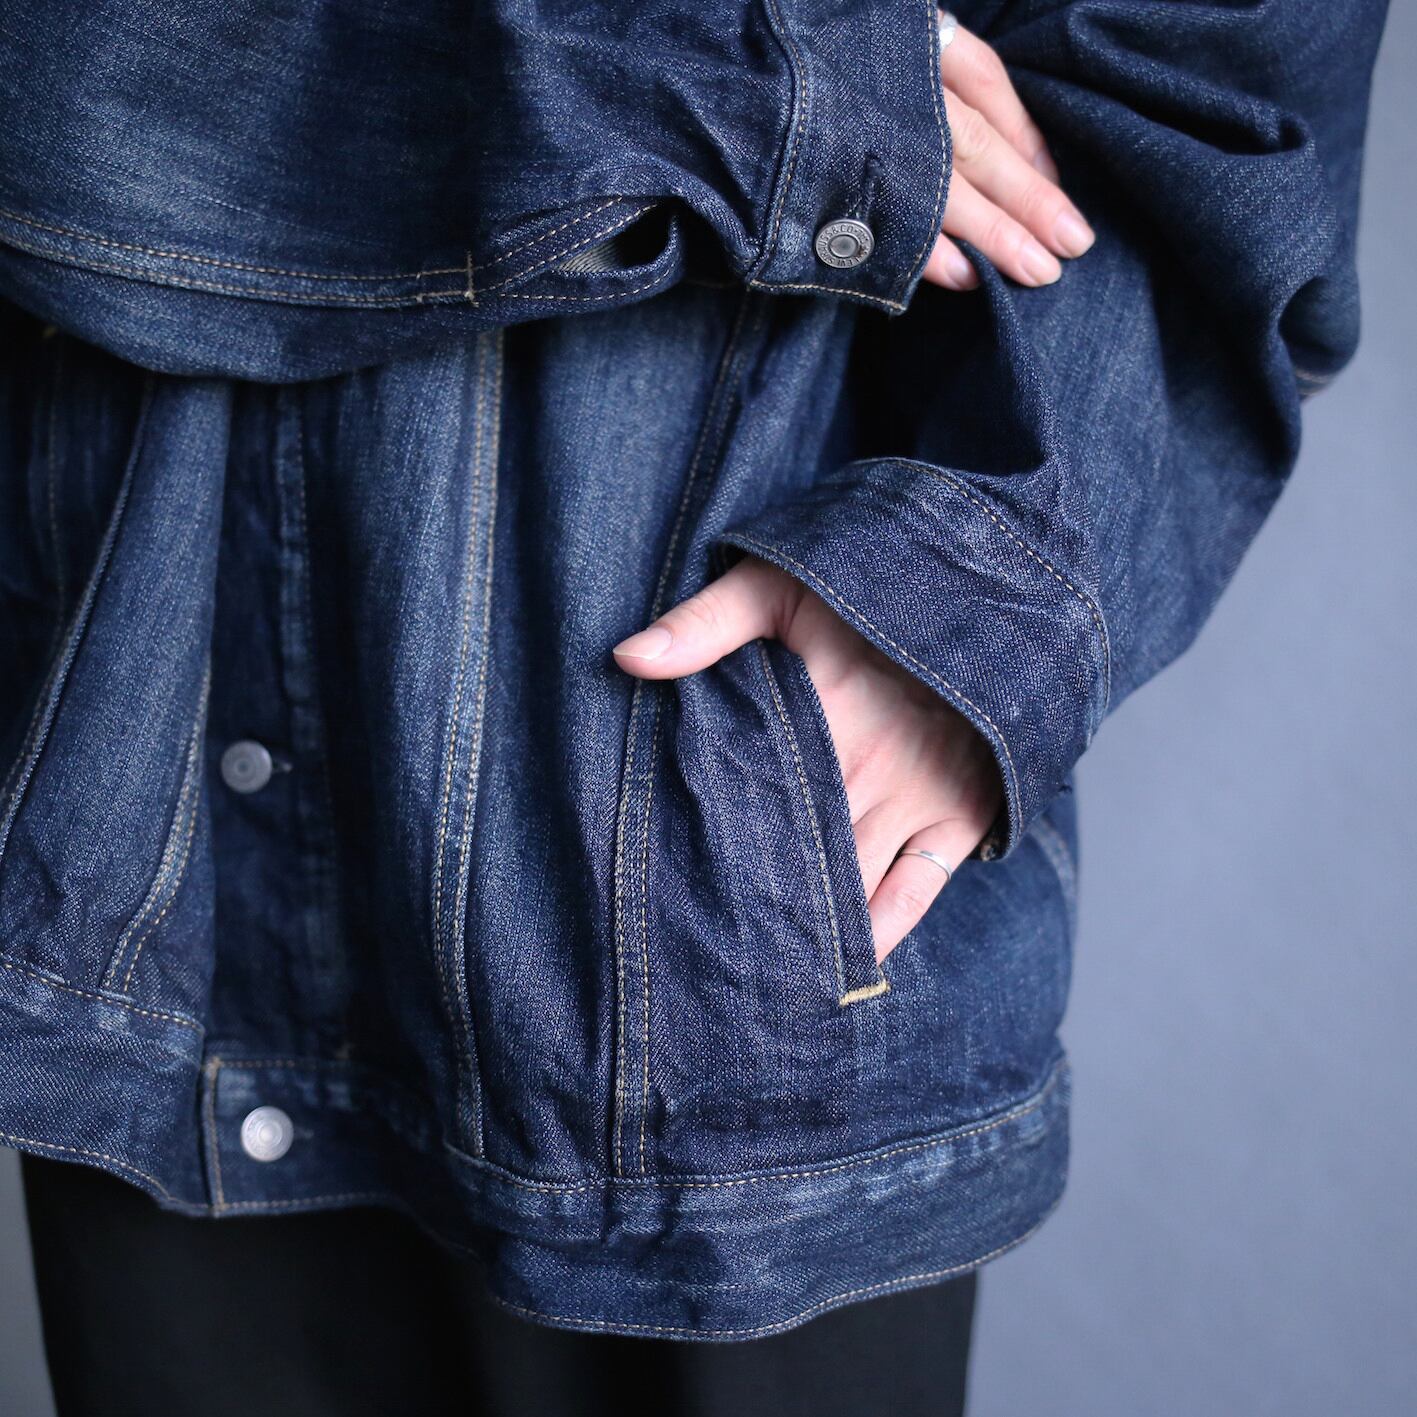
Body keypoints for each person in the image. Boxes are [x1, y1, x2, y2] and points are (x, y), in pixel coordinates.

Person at [0, 0, 1387, 1413]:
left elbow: (1220, 99)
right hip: (156, 866)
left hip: (707, 943)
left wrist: (973, 607)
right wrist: (738, 74)